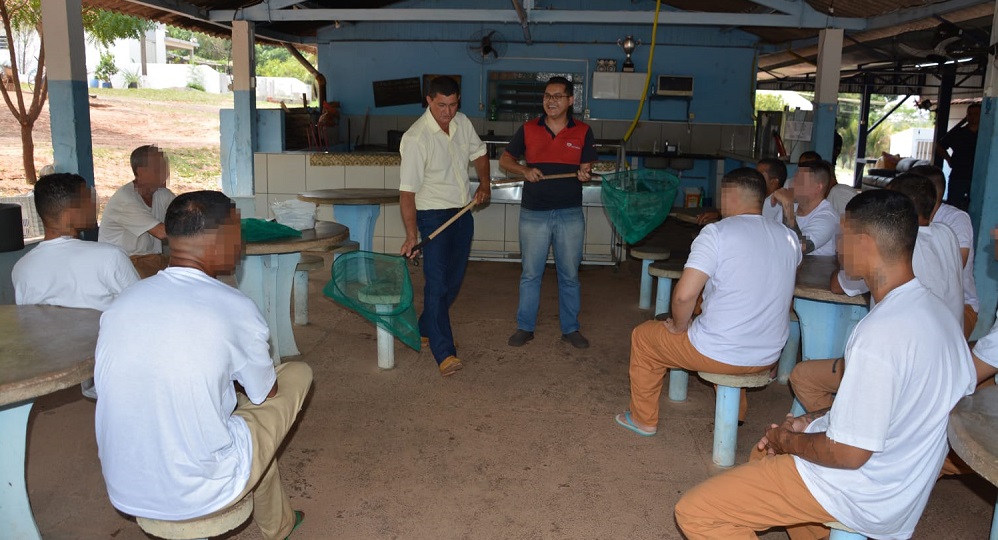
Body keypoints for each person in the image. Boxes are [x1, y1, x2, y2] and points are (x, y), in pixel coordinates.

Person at [675, 189, 976, 540]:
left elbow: (848, 454)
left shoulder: (880, 333)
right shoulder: (938, 315)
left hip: (858, 493)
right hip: (899, 488)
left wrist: (788, 440)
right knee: (764, 455)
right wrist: (812, 420)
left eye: (843, 236)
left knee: (698, 512)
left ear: (864, 244)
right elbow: (895, 410)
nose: (838, 246)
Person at [95, 191, 312, 540]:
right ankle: (277, 525)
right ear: (220, 237)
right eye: (237, 234)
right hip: (202, 490)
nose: (240, 245)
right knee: (296, 375)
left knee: (240, 421)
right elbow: (265, 394)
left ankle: (279, 525)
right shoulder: (234, 306)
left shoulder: (125, 301)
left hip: (126, 485)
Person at [614, 168, 801, 436]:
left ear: (731, 196)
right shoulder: (789, 238)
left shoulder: (717, 233)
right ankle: (735, 414)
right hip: (768, 355)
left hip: (721, 352)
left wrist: (679, 325)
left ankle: (643, 419)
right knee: (718, 316)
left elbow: (683, 295)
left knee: (644, 338)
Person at [789, 173, 965, 412]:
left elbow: (838, 285)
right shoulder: (947, 235)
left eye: (845, 238)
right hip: (944, 355)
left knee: (803, 376)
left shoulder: (888, 266)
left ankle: (840, 422)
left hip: (908, 368)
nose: (840, 245)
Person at [12, 173, 139, 399]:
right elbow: (143, 310)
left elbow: (29, 323)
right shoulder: (109, 256)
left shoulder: (22, 268)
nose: (96, 206)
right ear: (72, 213)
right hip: (108, 364)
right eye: (89, 201)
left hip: (53, 364)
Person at [399, 76, 490, 376]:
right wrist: (412, 235)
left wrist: (485, 184)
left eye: (453, 105)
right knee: (437, 284)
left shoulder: (462, 123)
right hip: (433, 216)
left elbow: (479, 153)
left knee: (452, 282)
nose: (447, 112)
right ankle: (444, 352)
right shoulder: (415, 139)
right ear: (429, 101)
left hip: (462, 212)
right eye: (441, 105)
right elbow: (407, 194)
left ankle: (425, 326)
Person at [500, 76, 597, 349]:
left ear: (570, 100)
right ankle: (525, 326)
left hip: (569, 213)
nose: (550, 101)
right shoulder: (529, 128)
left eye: (557, 96)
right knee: (530, 273)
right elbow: (505, 159)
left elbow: (586, 166)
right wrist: (524, 170)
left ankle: (570, 328)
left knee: (569, 274)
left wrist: (584, 173)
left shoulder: (583, 131)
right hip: (534, 213)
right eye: (547, 96)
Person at [911, 164, 980, 338]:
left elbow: (954, 267)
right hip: (920, 303)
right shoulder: (907, 216)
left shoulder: (957, 220)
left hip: (959, 306)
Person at [99, 144, 176, 278]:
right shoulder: (125, 199)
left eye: (165, 167)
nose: (166, 173)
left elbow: (185, 215)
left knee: (194, 270)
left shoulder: (162, 194)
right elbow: (162, 232)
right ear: (140, 172)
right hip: (125, 263)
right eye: (158, 168)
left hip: (152, 260)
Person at [771, 161, 839, 256]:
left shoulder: (828, 217)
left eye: (800, 182)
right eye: (794, 180)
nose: (792, 185)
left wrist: (787, 205)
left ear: (818, 187)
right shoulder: (792, 207)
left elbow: (799, 247)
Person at [696, 158, 786, 225]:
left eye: (760, 175)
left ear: (774, 182)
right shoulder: (761, 198)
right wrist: (718, 215)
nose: (755, 177)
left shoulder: (773, 204)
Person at [935, 102, 980, 211]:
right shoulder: (958, 133)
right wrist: (949, 160)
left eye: (976, 114)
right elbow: (940, 146)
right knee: (953, 206)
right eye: (970, 114)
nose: (972, 116)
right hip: (959, 174)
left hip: (979, 176)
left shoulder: (986, 134)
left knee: (976, 206)